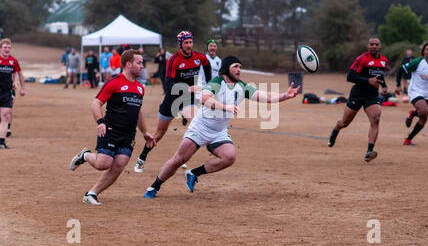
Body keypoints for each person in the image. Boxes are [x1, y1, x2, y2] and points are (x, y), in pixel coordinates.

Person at [143, 55, 300, 198]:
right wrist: (225, 107)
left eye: (240, 66)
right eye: (235, 67)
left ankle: (193, 173)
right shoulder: (217, 83)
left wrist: (285, 96)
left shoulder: (242, 86)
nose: (239, 70)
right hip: (200, 128)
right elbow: (205, 98)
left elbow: (264, 96)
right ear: (226, 68)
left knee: (229, 157)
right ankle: (154, 186)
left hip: (219, 132)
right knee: (179, 159)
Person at [69, 49, 156, 205]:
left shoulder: (140, 88)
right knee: (103, 164)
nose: (142, 66)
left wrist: (145, 132)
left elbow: (138, 112)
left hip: (128, 135)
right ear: (128, 64)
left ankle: (91, 193)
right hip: (110, 130)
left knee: (119, 164)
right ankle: (86, 156)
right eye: (139, 63)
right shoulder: (114, 82)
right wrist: (100, 122)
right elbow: (96, 103)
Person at [133, 31, 212, 173]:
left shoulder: (199, 57)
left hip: (188, 99)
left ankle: (179, 157)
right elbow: (169, 85)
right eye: (185, 43)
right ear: (180, 44)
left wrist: (209, 85)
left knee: (194, 123)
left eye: (190, 42)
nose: (189, 45)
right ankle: (142, 157)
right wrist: (188, 88)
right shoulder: (174, 60)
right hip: (171, 100)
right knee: (158, 134)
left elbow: (207, 66)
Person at [327, 37, 388, 162]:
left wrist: (384, 86)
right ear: (368, 46)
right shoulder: (361, 59)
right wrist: (367, 80)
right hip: (358, 94)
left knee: (375, 119)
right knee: (344, 123)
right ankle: (336, 129)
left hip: (372, 95)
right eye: (371, 44)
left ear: (379, 46)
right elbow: (350, 76)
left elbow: (379, 74)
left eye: (376, 44)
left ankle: (369, 151)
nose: (374, 46)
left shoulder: (383, 60)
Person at [395, 43, 428, 146]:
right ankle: (412, 114)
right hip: (415, 90)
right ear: (423, 51)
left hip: (426, 92)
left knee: (424, 118)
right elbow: (401, 70)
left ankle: (408, 139)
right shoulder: (417, 62)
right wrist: (398, 85)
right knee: (423, 110)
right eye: (427, 49)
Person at [0, 38, 25, 149]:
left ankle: (1, 142)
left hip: (6, 92)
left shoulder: (13, 61)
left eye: (9, 48)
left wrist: (18, 85)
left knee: (5, 117)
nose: (7, 49)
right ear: (0, 48)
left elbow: (17, 73)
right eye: (5, 47)